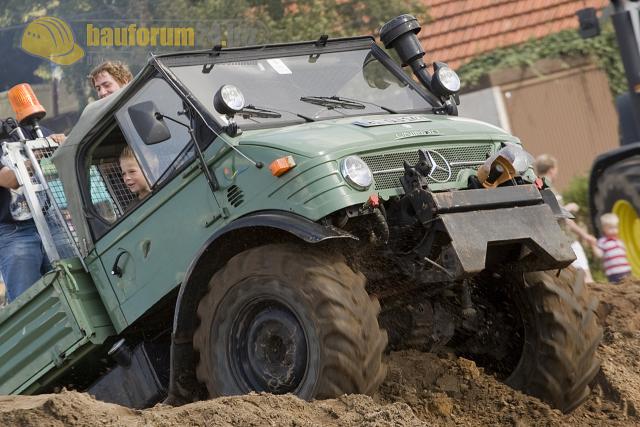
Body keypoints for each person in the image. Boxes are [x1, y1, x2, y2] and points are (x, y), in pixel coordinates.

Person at [534, 154, 596, 283]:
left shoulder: (536, 186)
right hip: (566, 240)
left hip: (552, 243)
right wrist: (569, 208)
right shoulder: (548, 187)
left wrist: (585, 236)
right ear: (552, 169)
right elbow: (557, 214)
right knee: (586, 278)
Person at [0, 160, 51, 303]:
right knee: (27, 298)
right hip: (13, 231)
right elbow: (12, 180)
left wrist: (56, 141)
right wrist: (36, 154)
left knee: (74, 280)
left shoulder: (30, 135)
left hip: (49, 220)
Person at [591, 213, 632, 283]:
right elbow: (599, 255)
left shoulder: (619, 241)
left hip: (626, 270)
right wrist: (593, 245)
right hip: (613, 273)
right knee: (617, 289)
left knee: (629, 288)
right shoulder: (602, 241)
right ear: (604, 228)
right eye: (610, 228)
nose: (614, 230)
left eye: (615, 227)